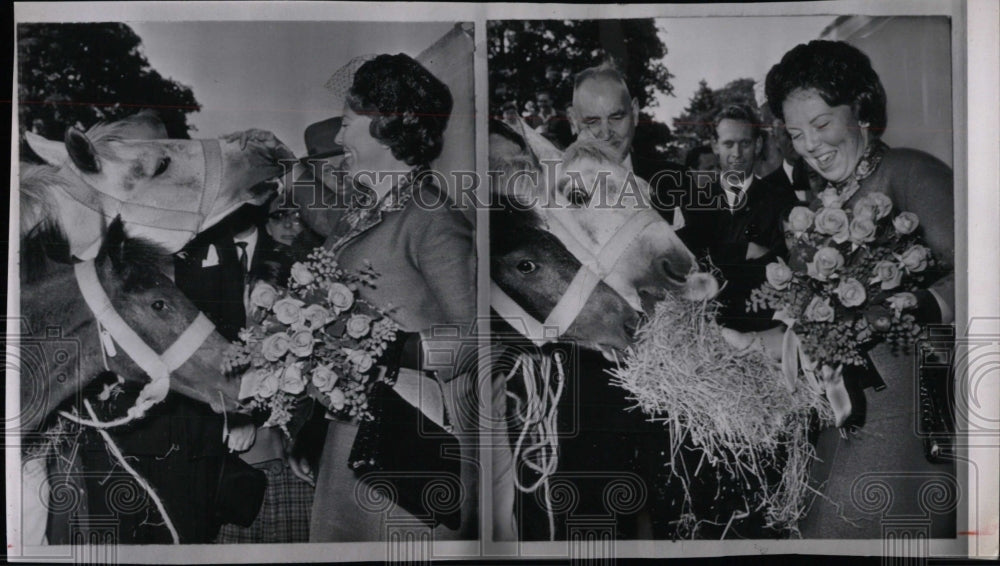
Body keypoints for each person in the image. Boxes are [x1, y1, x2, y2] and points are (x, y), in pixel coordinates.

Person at [279, 53, 477, 542]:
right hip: (345, 441)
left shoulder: (433, 218)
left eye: (347, 125)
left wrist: (394, 348)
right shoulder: (360, 214)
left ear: (386, 126)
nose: (340, 138)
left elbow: (477, 344)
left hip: (403, 453)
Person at [764, 39, 955, 538]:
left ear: (862, 111)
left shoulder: (913, 172)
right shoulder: (818, 207)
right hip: (836, 424)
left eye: (822, 124)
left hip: (905, 421)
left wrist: (916, 303)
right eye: (795, 132)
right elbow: (807, 331)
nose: (809, 145)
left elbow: (986, 273)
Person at [683, 104, 797, 332]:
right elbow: (689, 261)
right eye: (728, 144)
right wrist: (745, 251)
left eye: (744, 143)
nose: (736, 154)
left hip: (765, 330)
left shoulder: (782, 200)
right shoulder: (693, 202)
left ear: (758, 145)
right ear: (715, 146)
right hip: (707, 331)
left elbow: (785, 264)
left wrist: (720, 254)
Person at [568, 60, 688, 232]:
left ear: (635, 113)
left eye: (616, 118)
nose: (606, 132)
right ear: (573, 121)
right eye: (592, 121)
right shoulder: (556, 197)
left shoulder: (678, 182)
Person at [762, 119, 814, 204]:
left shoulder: (825, 174)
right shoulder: (765, 188)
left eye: (796, 132)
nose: (792, 139)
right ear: (776, 140)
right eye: (786, 134)